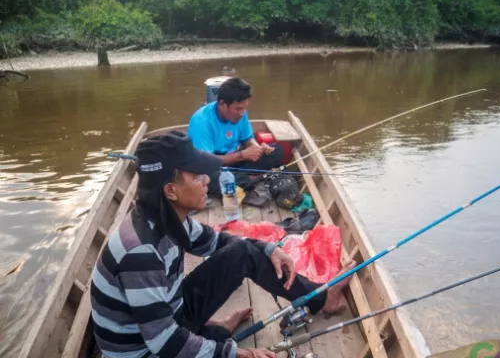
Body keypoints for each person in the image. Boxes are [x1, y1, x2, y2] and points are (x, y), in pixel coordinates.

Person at [89, 131, 355, 358]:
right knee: (222, 349)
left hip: (165, 320)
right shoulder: (140, 252)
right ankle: (212, 333)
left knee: (241, 251)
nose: (207, 180)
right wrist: (236, 353)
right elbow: (164, 343)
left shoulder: (165, 217)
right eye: (197, 176)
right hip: (146, 350)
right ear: (170, 190)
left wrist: (268, 248)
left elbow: (218, 241)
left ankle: (322, 299)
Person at [187, 77, 282, 196]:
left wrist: (257, 148)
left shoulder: (241, 113)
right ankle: (252, 179)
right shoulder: (202, 121)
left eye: (244, 108)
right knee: (209, 178)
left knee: (276, 151)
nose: (242, 113)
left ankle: (244, 180)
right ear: (222, 103)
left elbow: (247, 138)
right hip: (212, 166)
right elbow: (207, 162)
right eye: (238, 108)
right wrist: (242, 155)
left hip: (235, 162)